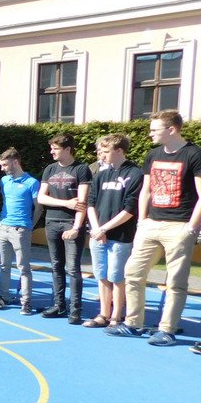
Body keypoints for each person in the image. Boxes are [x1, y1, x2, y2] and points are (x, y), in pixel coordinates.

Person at [107, 110, 201, 347]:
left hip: (179, 226)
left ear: (171, 129)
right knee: (132, 273)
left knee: (176, 281)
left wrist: (191, 228)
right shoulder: (153, 154)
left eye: (154, 129)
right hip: (150, 225)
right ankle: (133, 323)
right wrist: (142, 221)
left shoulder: (194, 154)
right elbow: (146, 191)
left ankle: (167, 330)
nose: (150, 134)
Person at [84, 134, 142, 329]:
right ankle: (103, 314)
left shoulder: (134, 173)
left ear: (119, 151)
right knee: (101, 275)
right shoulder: (101, 174)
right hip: (98, 235)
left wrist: (104, 228)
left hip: (120, 237)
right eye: (101, 151)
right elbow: (91, 203)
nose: (102, 155)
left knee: (117, 277)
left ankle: (116, 316)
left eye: (106, 151)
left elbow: (130, 209)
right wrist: (96, 228)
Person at [37, 133, 92, 324]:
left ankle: (75, 309)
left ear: (67, 149)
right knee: (56, 265)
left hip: (71, 223)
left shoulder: (81, 169)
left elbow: (82, 203)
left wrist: (77, 227)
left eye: (56, 148)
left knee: (73, 268)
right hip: (52, 222)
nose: (51, 152)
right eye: (51, 148)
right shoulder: (50, 169)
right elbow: (41, 198)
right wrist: (65, 203)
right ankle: (59, 305)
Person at [0, 148, 42, 315]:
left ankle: (26, 301)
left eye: (4, 165)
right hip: (3, 228)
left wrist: (29, 226)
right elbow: (5, 200)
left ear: (15, 162)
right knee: (4, 265)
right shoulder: (4, 181)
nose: (2, 168)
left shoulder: (32, 182)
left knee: (23, 267)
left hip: (21, 229)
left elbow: (39, 207)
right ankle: (3, 297)